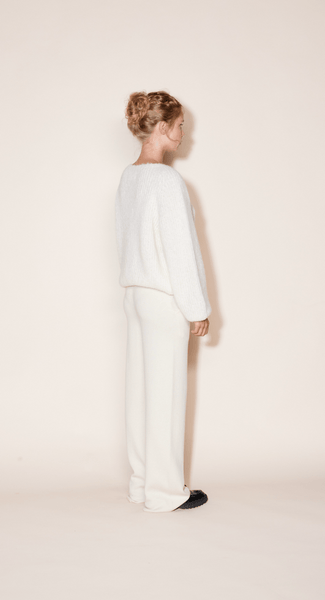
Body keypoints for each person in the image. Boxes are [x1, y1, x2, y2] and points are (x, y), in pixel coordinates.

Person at [115, 90, 211, 512]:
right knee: (166, 395)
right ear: (161, 126)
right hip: (164, 297)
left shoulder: (129, 177)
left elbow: (124, 239)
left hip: (135, 294)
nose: (183, 132)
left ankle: (141, 484)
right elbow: (180, 250)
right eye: (179, 125)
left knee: (140, 392)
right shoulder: (167, 180)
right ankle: (166, 492)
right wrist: (197, 308)